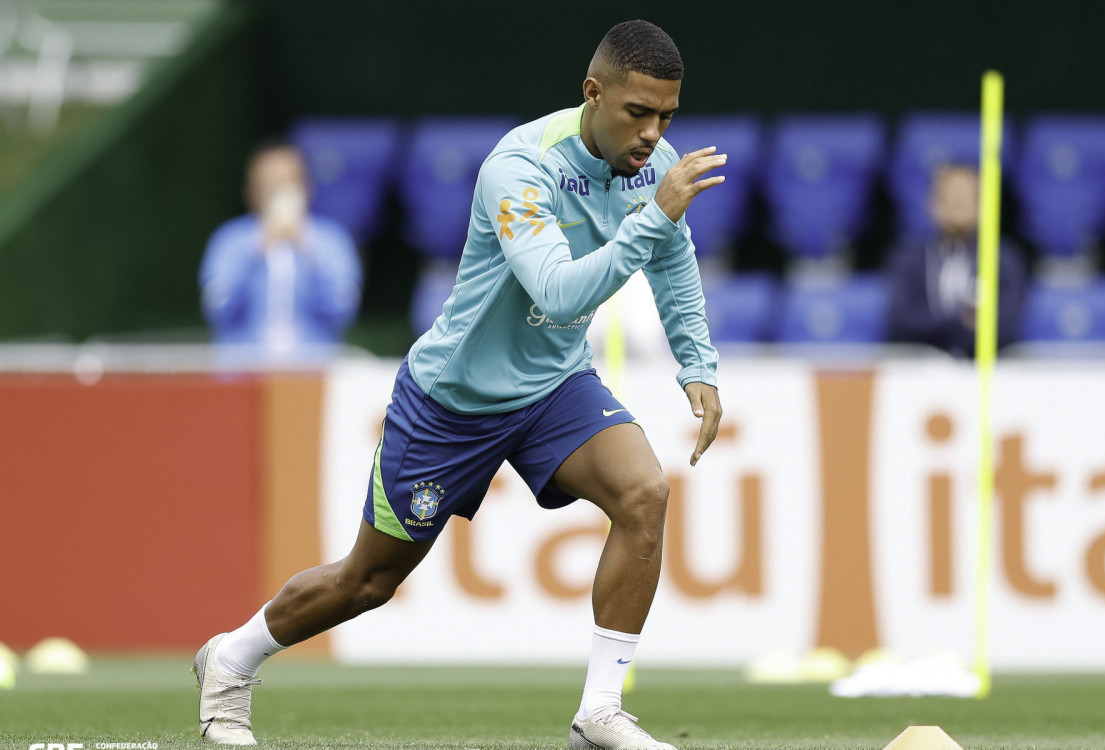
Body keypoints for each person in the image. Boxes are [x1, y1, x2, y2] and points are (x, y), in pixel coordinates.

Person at [193, 20, 724, 750]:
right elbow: (561, 293)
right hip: (454, 400)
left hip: (552, 385)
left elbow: (674, 260)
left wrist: (697, 365)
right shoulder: (520, 167)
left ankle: (599, 712)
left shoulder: (650, 165)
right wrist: (655, 215)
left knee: (645, 493)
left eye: (667, 115)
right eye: (638, 112)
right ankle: (231, 658)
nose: (652, 133)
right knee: (368, 583)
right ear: (592, 93)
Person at [198, 141, 362, 366]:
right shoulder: (230, 240)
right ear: (251, 193)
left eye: (289, 183)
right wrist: (255, 251)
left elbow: (343, 310)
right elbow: (217, 308)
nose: (281, 194)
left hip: (312, 373)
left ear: (306, 188)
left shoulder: (332, 240)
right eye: (270, 186)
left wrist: (309, 252)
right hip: (242, 373)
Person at [886, 164, 1026, 357]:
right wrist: (961, 321)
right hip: (921, 372)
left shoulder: (1003, 259)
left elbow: (1007, 327)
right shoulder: (909, 260)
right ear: (932, 204)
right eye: (950, 196)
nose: (958, 204)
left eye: (967, 197)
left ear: (983, 204)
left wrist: (942, 329)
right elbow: (901, 322)